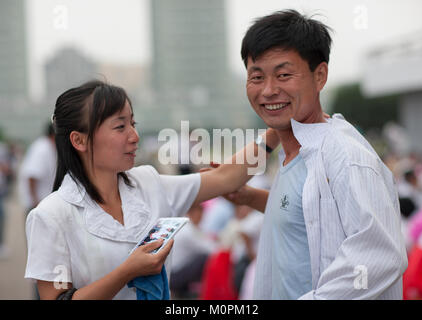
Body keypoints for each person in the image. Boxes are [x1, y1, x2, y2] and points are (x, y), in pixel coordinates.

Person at [24, 80, 279, 300]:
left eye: (133, 123)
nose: (134, 136)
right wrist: (127, 271)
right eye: (120, 127)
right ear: (79, 140)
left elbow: (227, 177)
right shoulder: (51, 216)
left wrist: (277, 129)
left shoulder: (148, 183)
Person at [227, 10, 407, 299]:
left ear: (319, 75)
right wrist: (249, 197)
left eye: (284, 75)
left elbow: (378, 256)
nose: (269, 90)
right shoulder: (296, 153)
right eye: (256, 76)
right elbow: (307, 213)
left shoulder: (345, 157)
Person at [18, 123, 57, 215]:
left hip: (41, 204)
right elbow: (32, 176)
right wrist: (36, 203)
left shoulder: (47, 146)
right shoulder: (42, 149)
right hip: (37, 206)